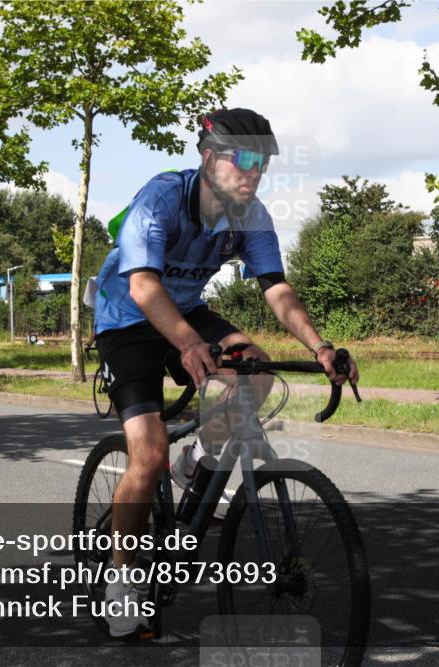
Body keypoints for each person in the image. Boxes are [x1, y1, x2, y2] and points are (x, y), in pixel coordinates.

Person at [92, 108, 359, 637]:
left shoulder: (251, 215)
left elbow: (277, 290)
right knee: (147, 454)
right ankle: (121, 581)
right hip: (127, 318)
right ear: (209, 158)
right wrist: (190, 344)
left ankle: (198, 458)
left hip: (187, 310)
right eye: (244, 160)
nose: (254, 172)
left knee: (256, 370)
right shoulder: (162, 198)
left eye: (262, 162)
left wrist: (321, 345)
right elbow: (144, 287)